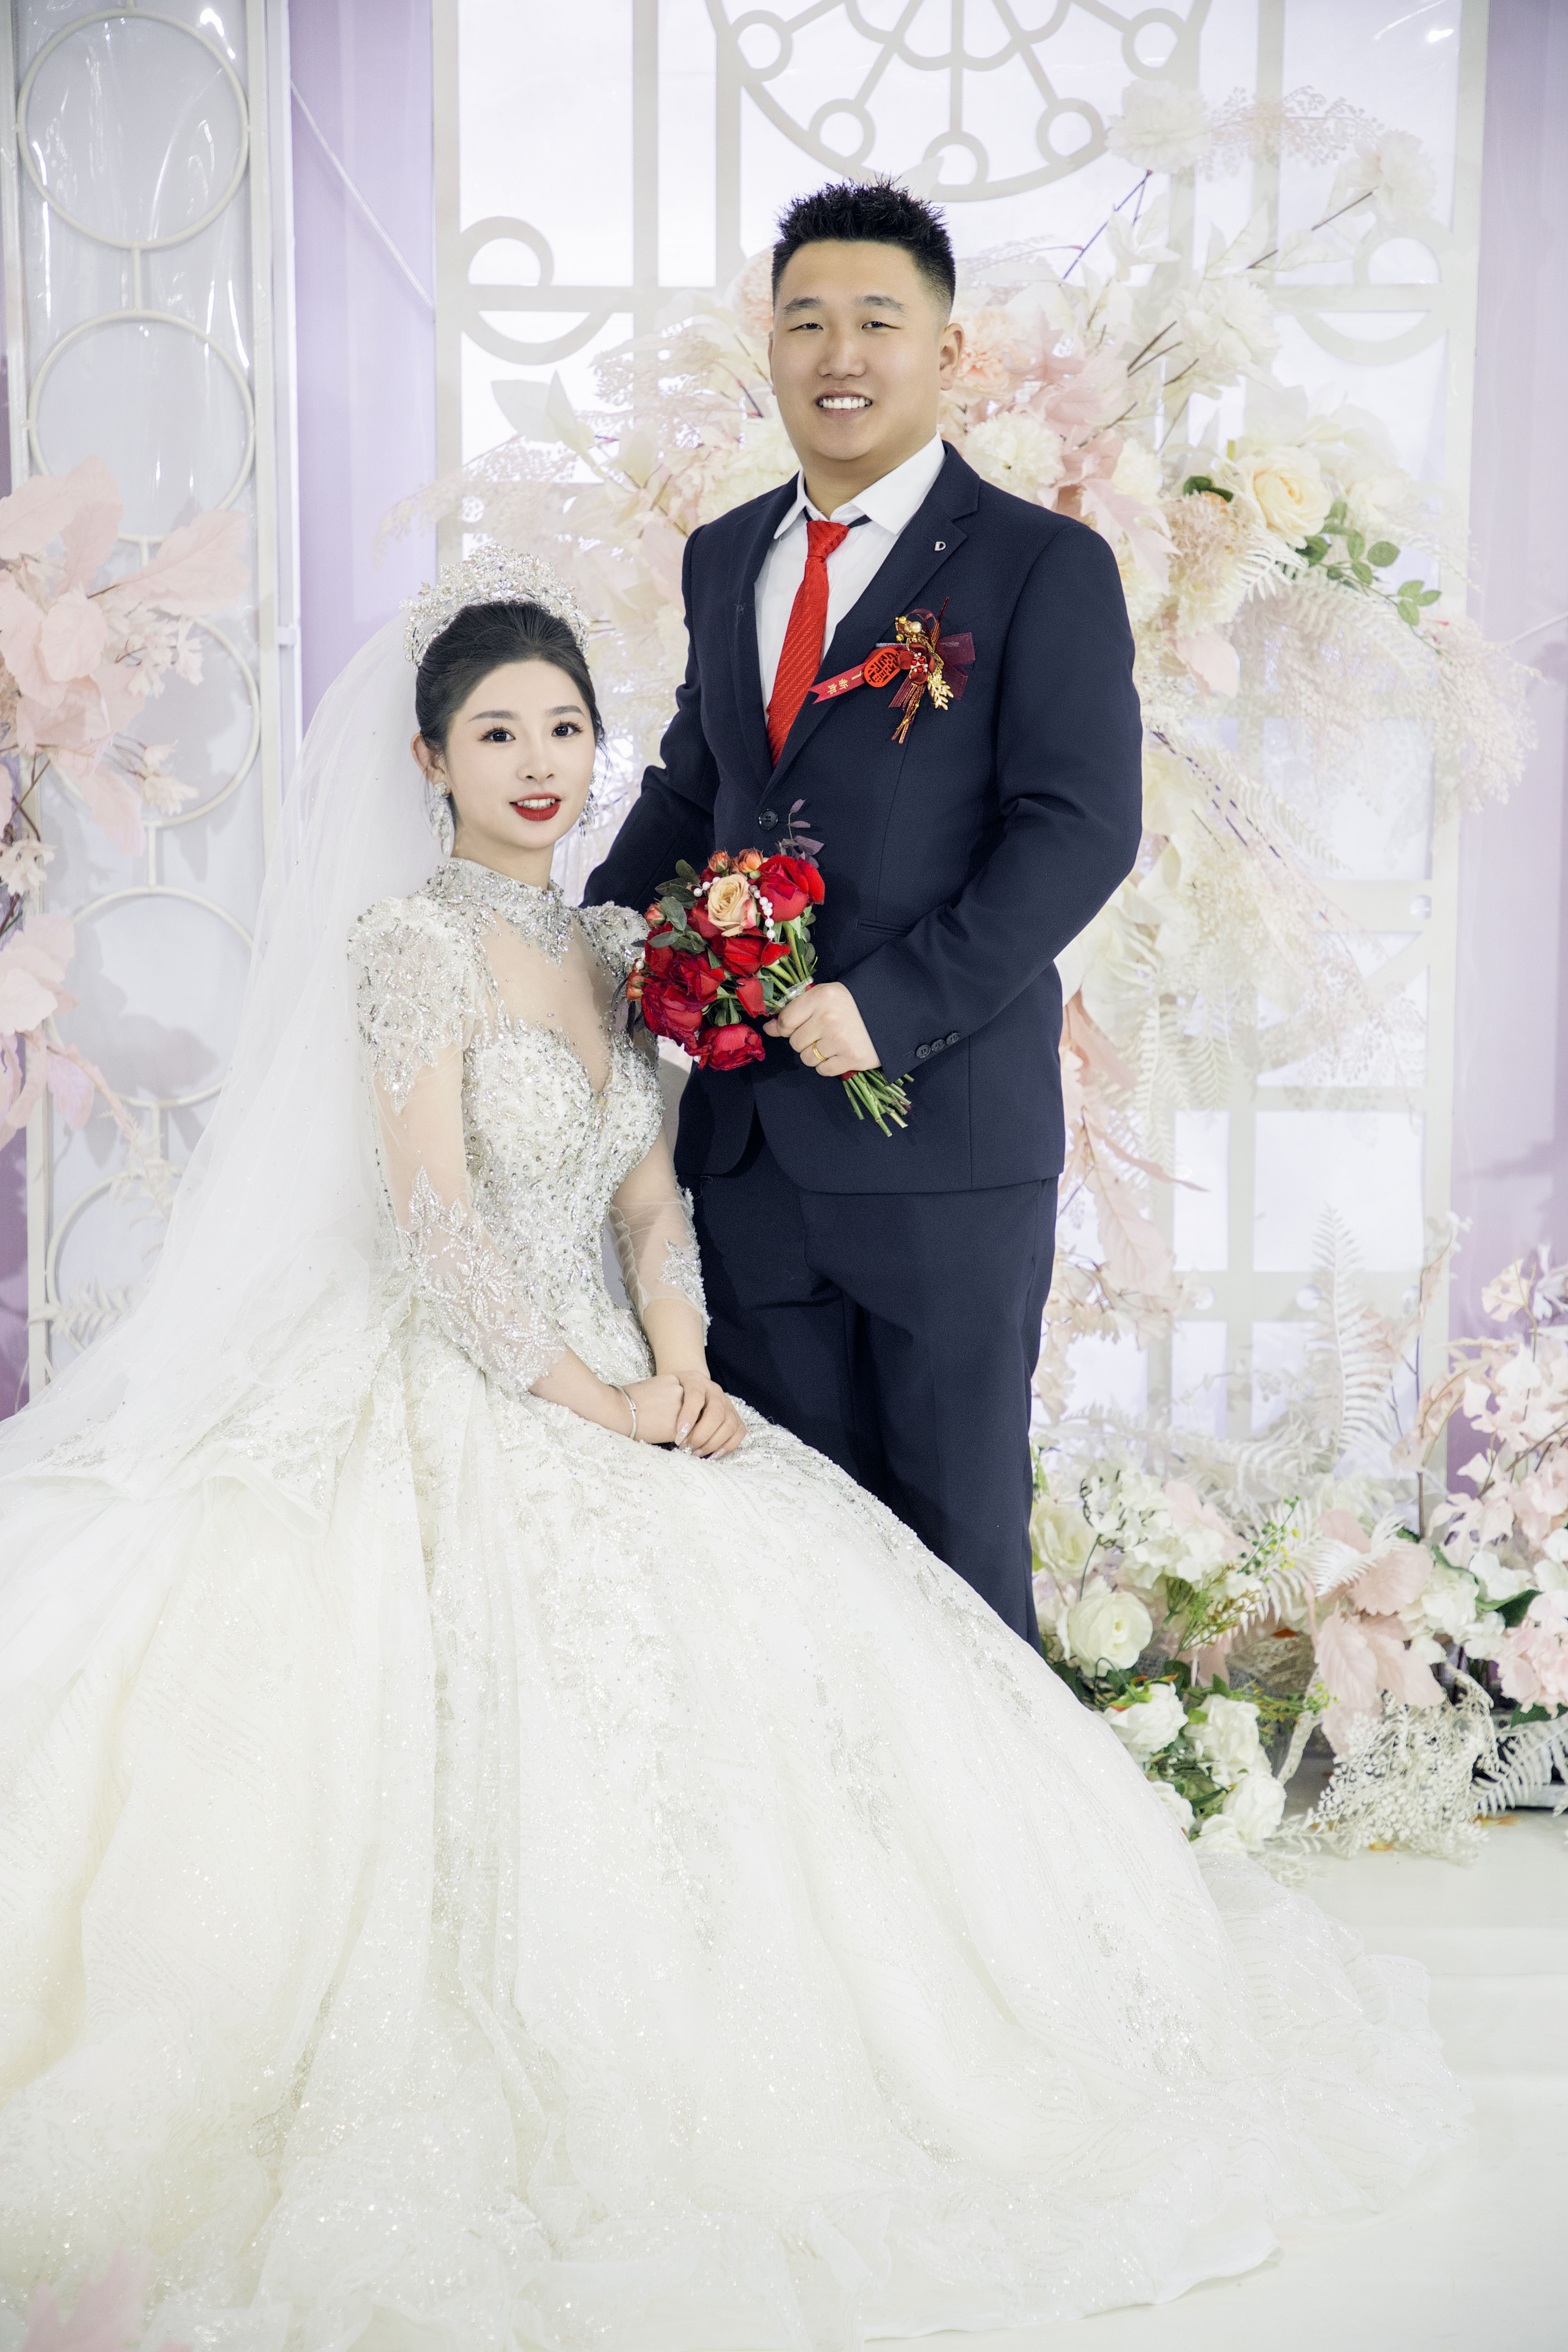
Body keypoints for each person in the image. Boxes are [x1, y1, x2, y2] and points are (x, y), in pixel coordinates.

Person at [0, 559, 1456, 2350]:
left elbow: (643, 1198)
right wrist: (588, 1394)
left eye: (564, 728)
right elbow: (438, 1223)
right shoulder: (408, 948)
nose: (540, 763)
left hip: (630, 1360)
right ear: (429, 761)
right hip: (475, 1364)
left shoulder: (619, 950)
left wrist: (679, 1365)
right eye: (496, 735)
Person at [586, 179, 1143, 1644]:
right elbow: (699, 787)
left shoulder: (1040, 566)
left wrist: (890, 1006)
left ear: (948, 352)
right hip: (748, 1156)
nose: (840, 356)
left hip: (943, 1152)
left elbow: (1081, 828)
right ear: (770, 347)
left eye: (878, 322)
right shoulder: (725, 555)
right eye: (806, 322)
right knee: (786, 1569)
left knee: (958, 1568)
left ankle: (993, 1811)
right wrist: (577, 953)